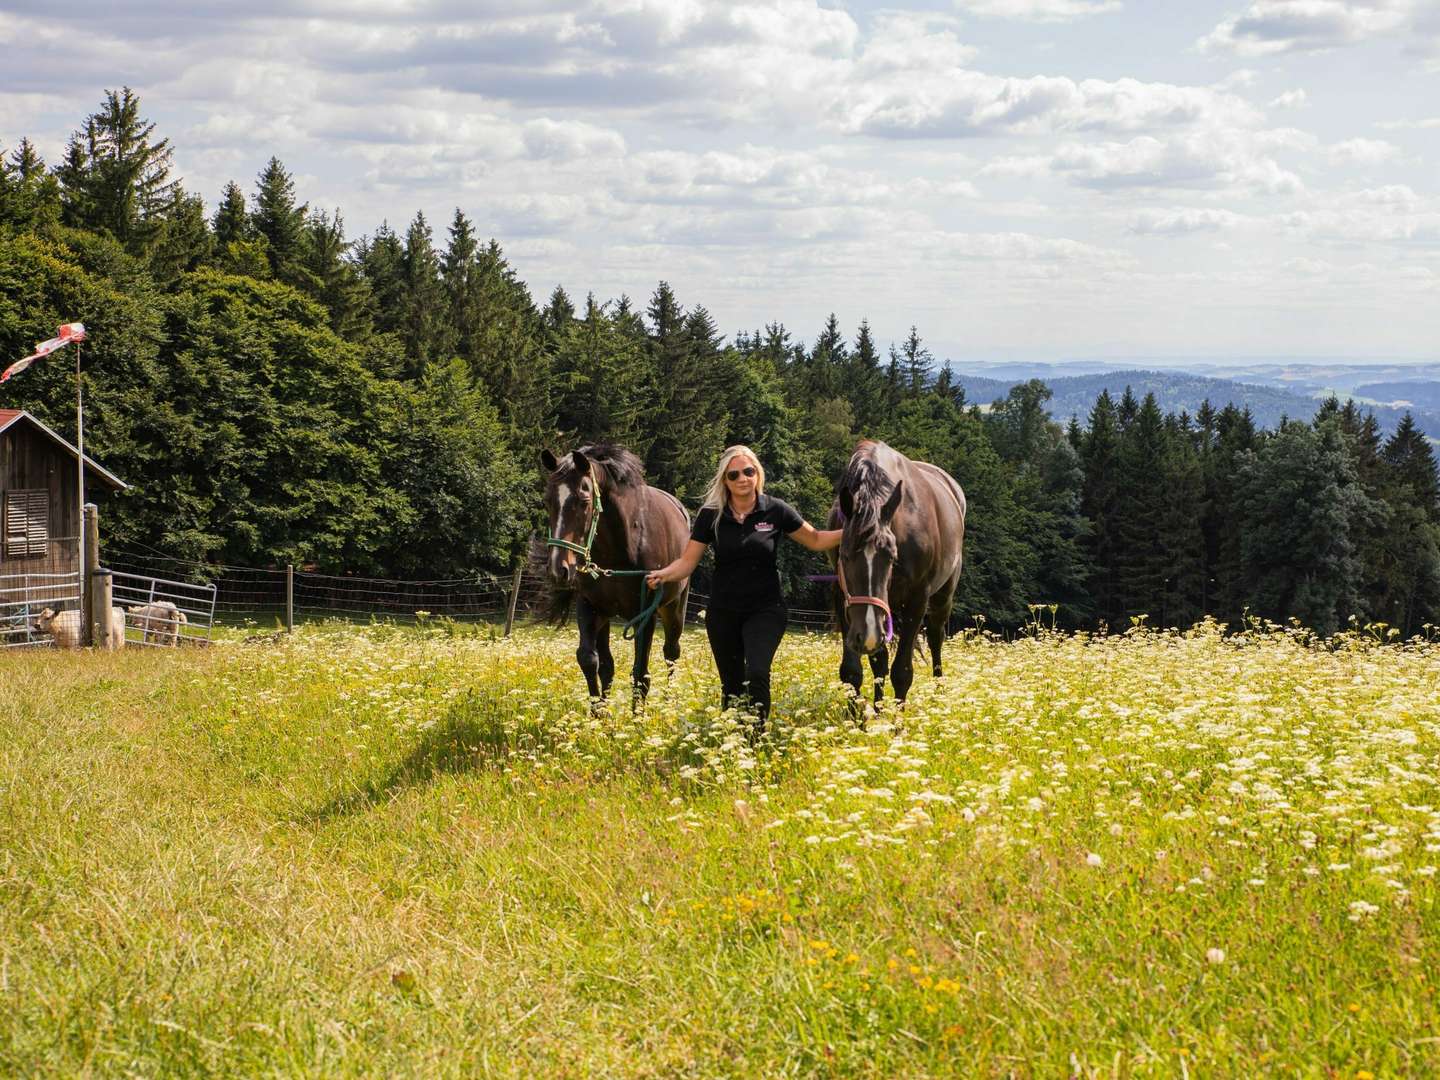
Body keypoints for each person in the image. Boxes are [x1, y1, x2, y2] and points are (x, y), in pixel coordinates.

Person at [648, 445, 841, 728]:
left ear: (757, 474)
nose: (742, 478)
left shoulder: (775, 510)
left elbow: (816, 540)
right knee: (731, 684)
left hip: (765, 609)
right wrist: (663, 574)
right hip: (723, 612)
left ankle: (756, 738)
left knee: (758, 672)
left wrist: (857, 532)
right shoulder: (711, 516)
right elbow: (687, 563)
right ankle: (734, 742)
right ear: (725, 480)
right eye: (734, 474)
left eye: (748, 472)